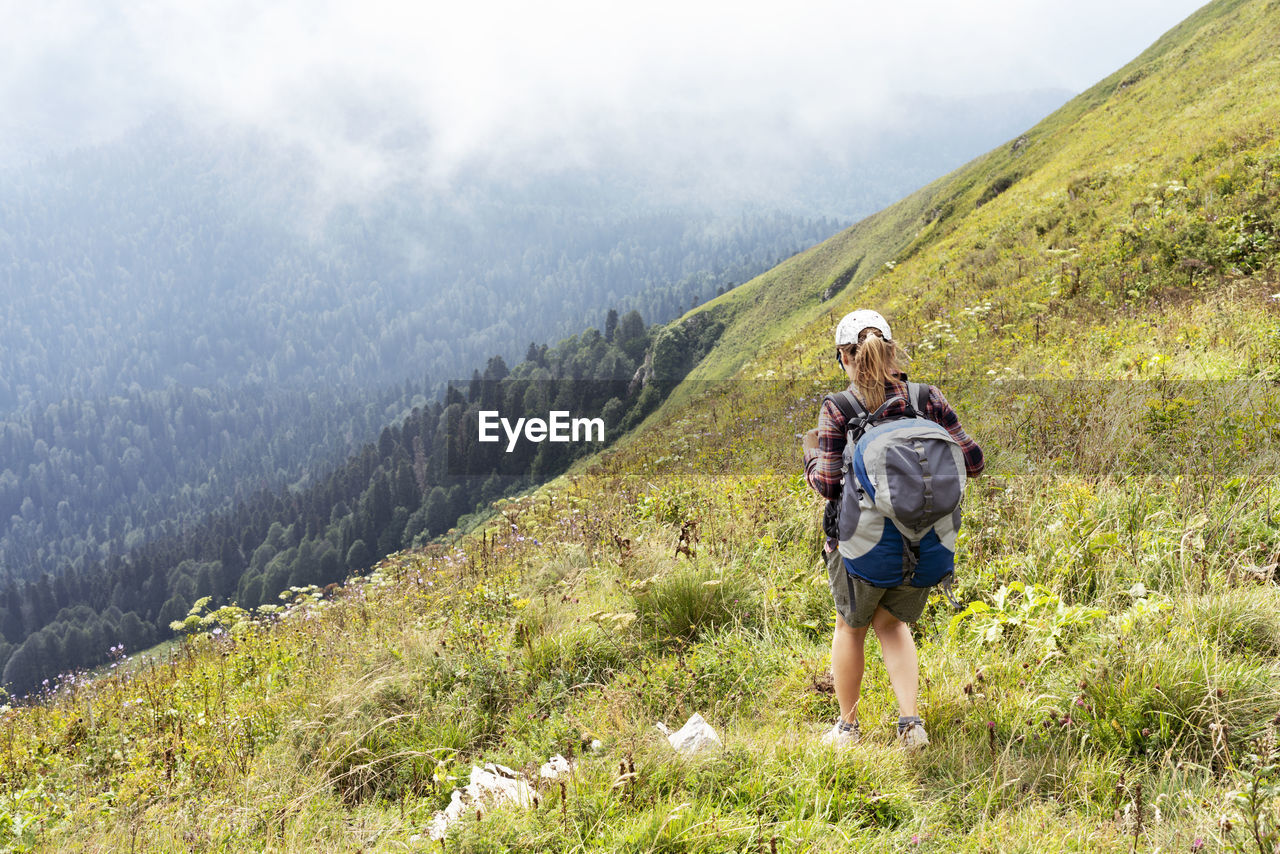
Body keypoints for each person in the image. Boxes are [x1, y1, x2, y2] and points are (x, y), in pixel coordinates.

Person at [802, 308, 984, 748]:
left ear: (844, 358)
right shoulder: (927, 398)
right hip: (927, 542)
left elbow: (827, 484)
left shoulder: (839, 407)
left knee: (850, 627)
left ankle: (847, 728)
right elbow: (973, 462)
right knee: (894, 625)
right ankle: (911, 724)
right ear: (889, 350)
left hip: (861, 545)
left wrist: (810, 454)